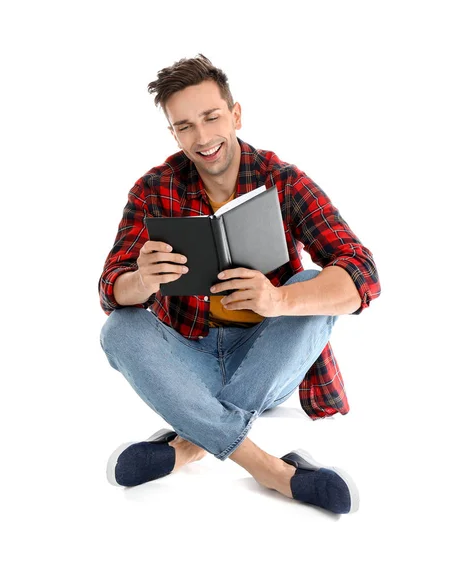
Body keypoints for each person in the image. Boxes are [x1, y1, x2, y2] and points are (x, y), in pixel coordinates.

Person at [98, 54, 381, 514]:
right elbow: (110, 287)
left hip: (265, 357)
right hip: (188, 356)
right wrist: (141, 280)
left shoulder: (283, 180)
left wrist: (279, 298)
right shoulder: (153, 188)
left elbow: (362, 273)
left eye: (211, 117)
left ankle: (190, 442)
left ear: (235, 114)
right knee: (119, 329)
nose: (203, 137)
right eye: (185, 126)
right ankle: (271, 470)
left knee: (314, 285)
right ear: (173, 133)